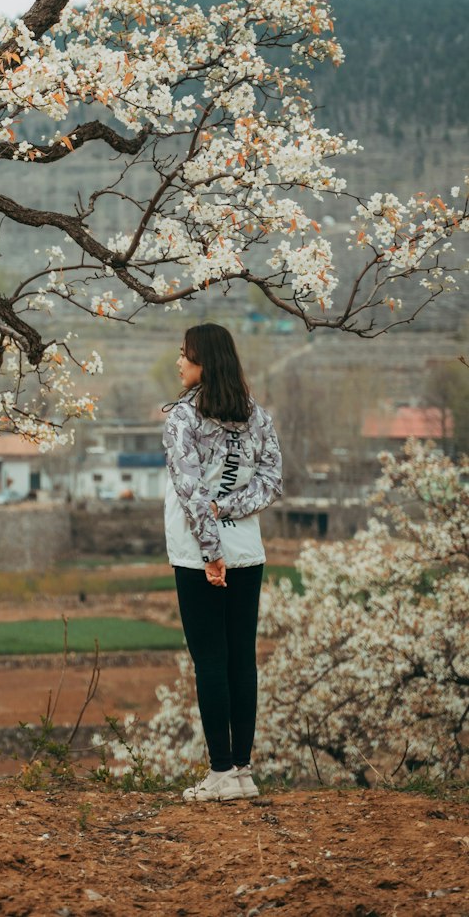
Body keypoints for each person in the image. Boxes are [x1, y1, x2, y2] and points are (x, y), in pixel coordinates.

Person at [161, 322, 283, 802]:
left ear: (204, 361)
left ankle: (219, 774)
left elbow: (191, 493)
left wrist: (211, 550)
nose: (178, 362)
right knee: (241, 661)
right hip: (247, 551)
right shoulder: (257, 417)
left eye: (184, 354)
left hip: (198, 556)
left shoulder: (182, 419)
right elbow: (270, 481)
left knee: (209, 659)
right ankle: (244, 772)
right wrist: (230, 509)